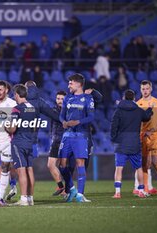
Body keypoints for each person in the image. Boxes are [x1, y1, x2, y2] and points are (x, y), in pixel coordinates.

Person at [59, 73, 95, 203]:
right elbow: (61, 115)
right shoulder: (67, 98)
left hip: (80, 135)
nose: (69, 85)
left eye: (71, 83)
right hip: (67, 135)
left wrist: (78, 122)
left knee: (80, 164)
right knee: (62, 165)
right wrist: (63, 121)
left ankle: (80, 194)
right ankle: (72, 188)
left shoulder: (88, 98)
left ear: (79, 84)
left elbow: (91, 117)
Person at [111, 89, 153, 198]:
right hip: (134, 141)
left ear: (124, 98)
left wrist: (114, 138)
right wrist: (150, 109)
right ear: (134, 98)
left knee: (119, 167)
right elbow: (146, 117)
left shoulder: (118, 110)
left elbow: (113, 126)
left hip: (121, 142)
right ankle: (141, 191)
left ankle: (117, 192)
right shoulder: (138, 110)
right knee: (138, 167)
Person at [5, 84, 40, 206]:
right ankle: (30, 198)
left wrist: (6, 127)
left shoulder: (16, 109)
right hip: (30, 142)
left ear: (16, 94)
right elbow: (35, 126)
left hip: (18, 143)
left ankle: (24, 199)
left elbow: (12, 129)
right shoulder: (33, 108)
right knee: (30, 170)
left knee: (21, 171)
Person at [133, 80, 157, 195]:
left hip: (154, 135)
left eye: (147, 88)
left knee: (154, 161)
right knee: (144, 163)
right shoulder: (138, 104)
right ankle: (146, 188)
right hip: (142, 136)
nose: (145, 91)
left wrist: (154, 129)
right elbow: (136, 122)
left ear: (151, 89)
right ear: (140, 90)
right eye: (143, 89)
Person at [47, 91, 66, 196]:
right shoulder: (54, 110)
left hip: (63, 141)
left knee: (53, 165)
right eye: (58, 98)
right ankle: (62, 187)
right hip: (56, 140)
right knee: (55, 165)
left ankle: (63, 187)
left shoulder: (67, 111)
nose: (59, 101)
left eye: (62, 99)